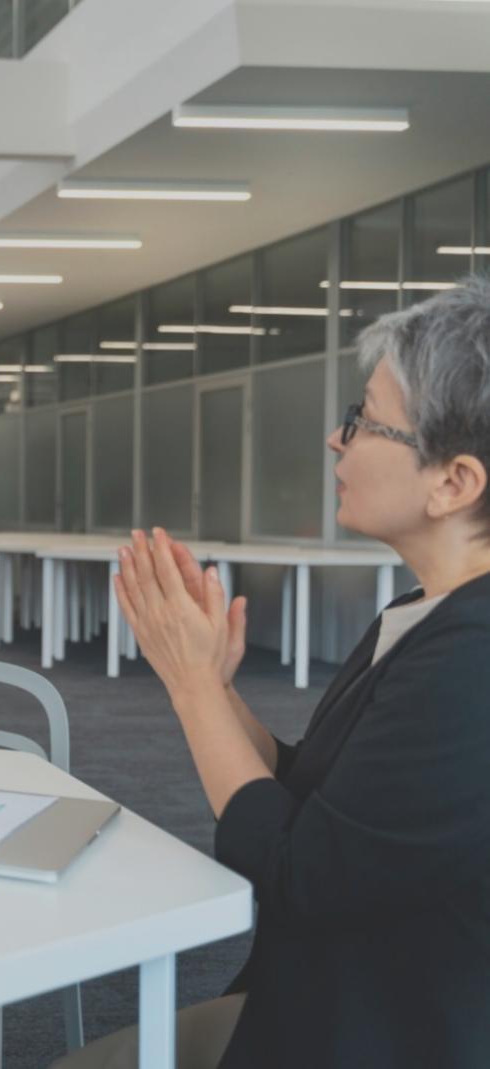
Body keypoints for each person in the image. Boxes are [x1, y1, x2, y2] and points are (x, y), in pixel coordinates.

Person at [59, 278, 490, 1069]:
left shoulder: (472, 660)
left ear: (453, 482)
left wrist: (193, 688)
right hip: (334, 1002)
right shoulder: (430, 610)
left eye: (364, 419)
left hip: (382, 1033)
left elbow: (301, 872)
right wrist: (213, 687)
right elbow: (325, 800)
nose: (337, 436)